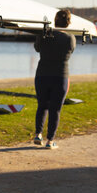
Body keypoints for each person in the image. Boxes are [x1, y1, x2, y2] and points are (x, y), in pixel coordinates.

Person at [33, 9, 76, 149]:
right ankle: (50, 141)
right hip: (60, 76)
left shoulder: (44, 35)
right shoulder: (70, 38)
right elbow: (70, 50)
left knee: (42, 105)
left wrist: (42, 35)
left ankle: (38, 134)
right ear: (68, 22)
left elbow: (37, 48)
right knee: (55, 109)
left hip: (42, 75)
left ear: (55, 20)